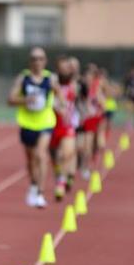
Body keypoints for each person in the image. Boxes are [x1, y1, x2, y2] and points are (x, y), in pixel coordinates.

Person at [8, 47, 64, 209]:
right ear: (30, 62)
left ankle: (40, 192)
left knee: (41, 155)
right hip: (27, 123)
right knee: (31, 160)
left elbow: (60, 97)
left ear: (45, 61)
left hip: (46, 122)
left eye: (40, 59)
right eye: (34, 59)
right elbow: (10, 99)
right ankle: (33, 185)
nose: (37, 62)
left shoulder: (51, 79)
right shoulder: (23, 78)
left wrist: (61, 105)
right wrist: (25, 100)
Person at [48, 55, 81, 201]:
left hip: (67, 124)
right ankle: (60, 174)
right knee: (54, 155)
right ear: (58, 68)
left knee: (66, 153)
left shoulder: (74, 84)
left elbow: (74, 96)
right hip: (50, 123)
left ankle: (61, 182)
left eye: (68, 67)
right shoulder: (51, 82)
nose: (65, 69)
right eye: (62, 67)